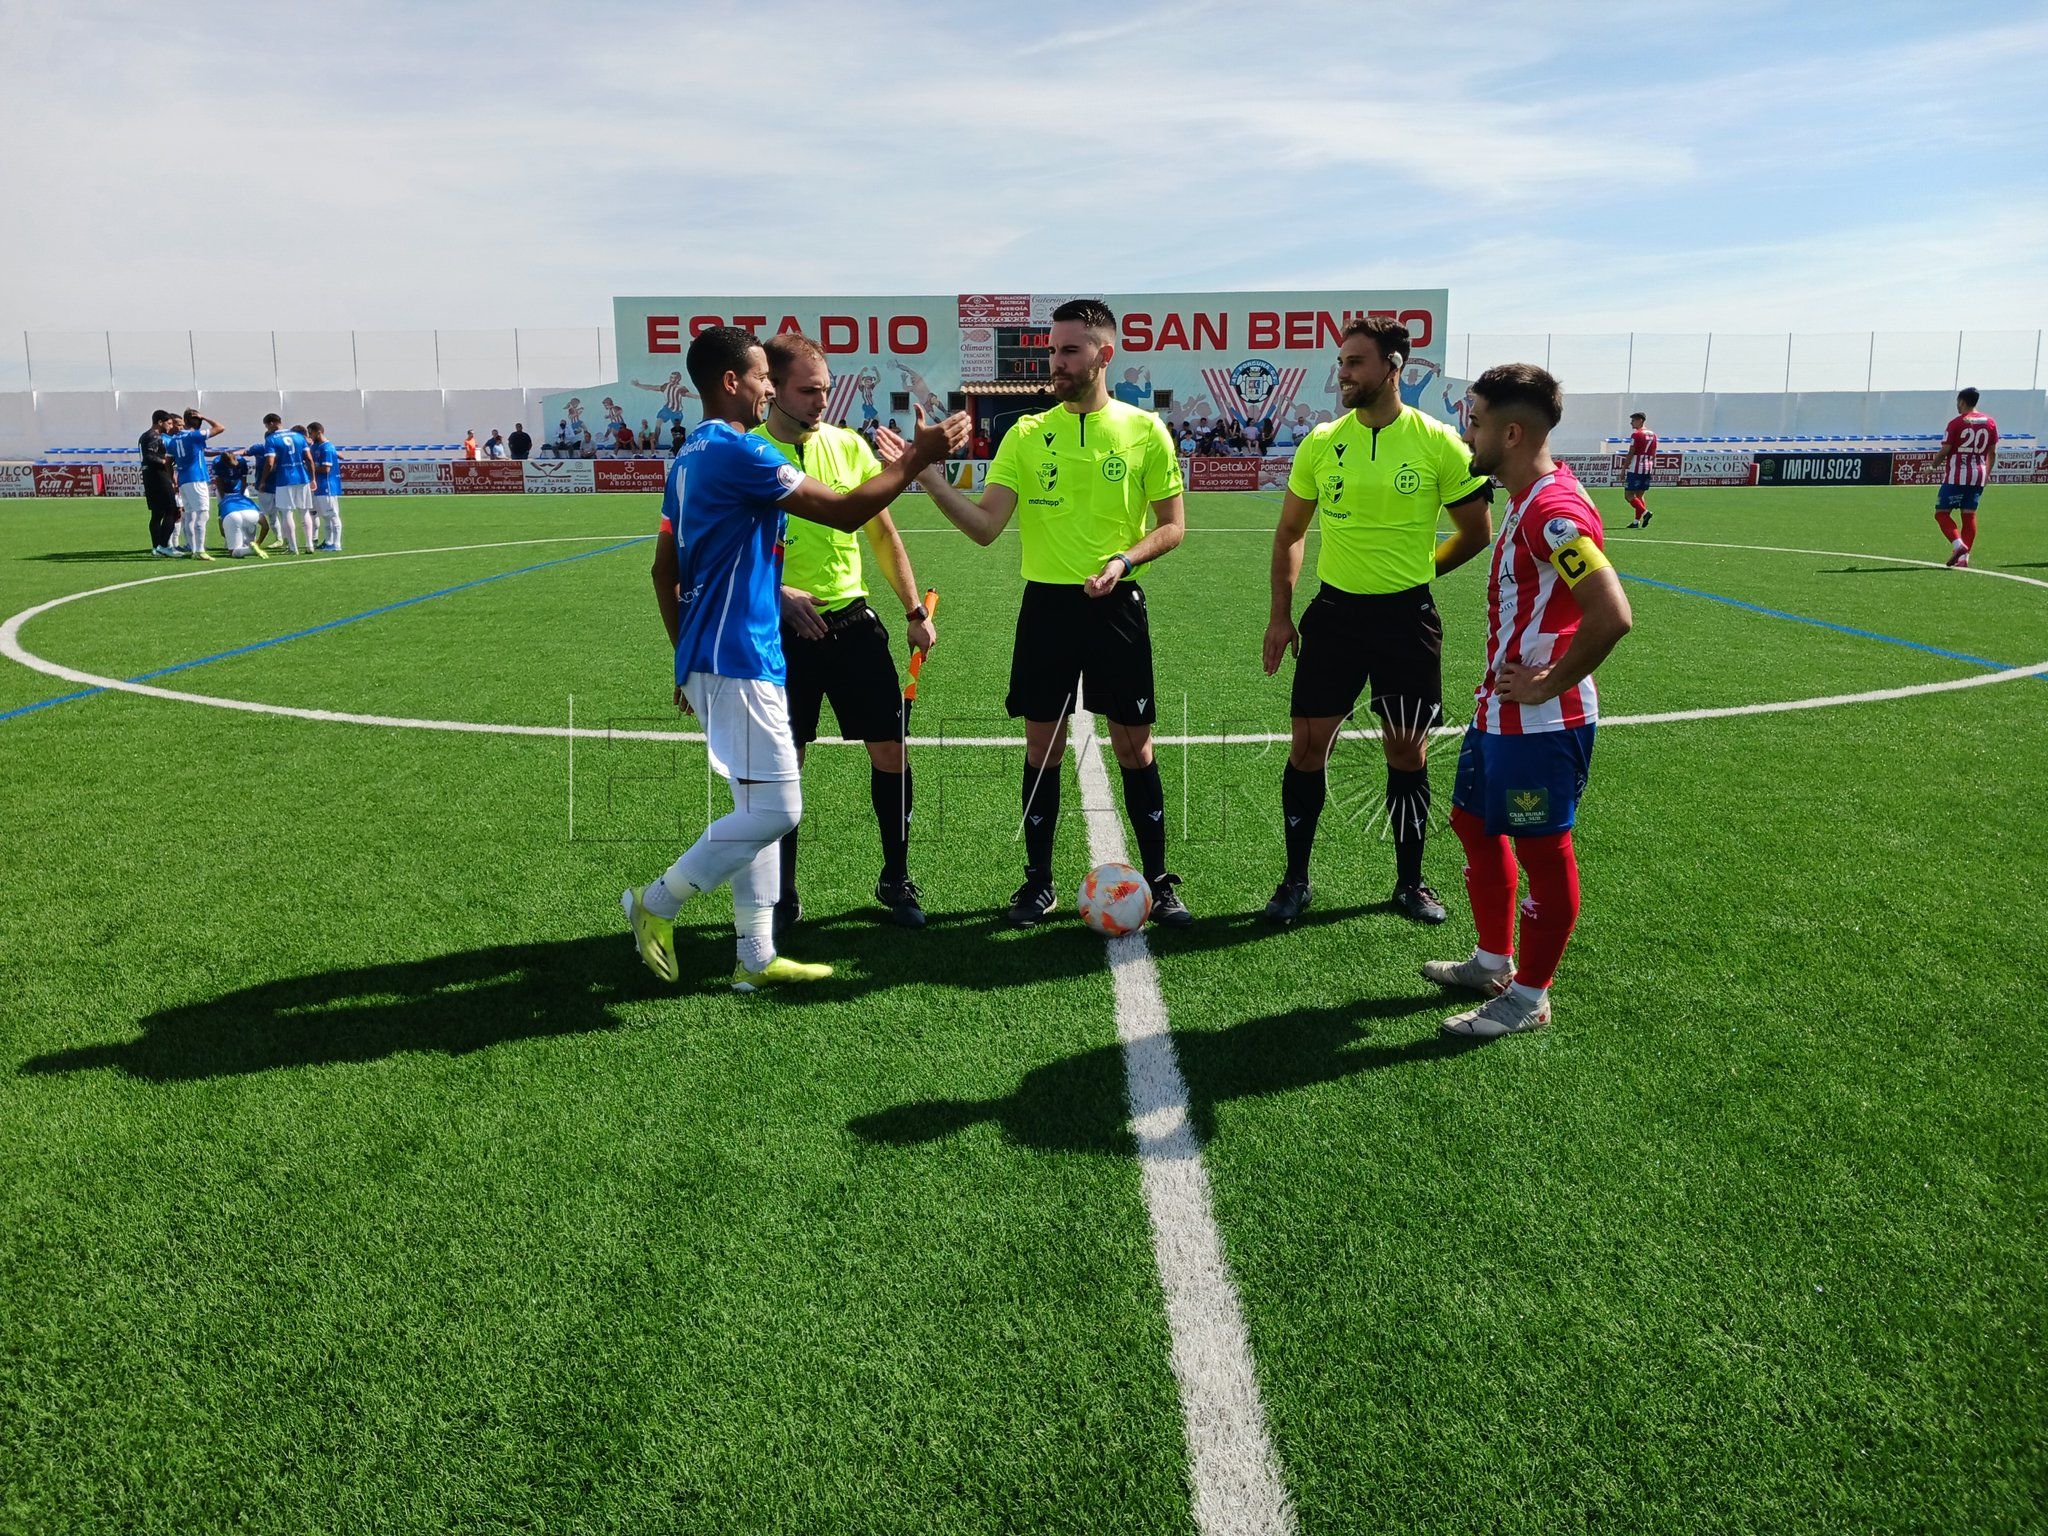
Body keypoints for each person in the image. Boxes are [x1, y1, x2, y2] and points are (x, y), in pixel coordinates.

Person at [620, 326, 968, 992]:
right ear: (735, 382)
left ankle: (756, 953)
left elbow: (667, 568)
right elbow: (843, 514)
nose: (773, 392)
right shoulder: (738, 451)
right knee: (777, 809)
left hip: (737, 649)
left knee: (760, 796)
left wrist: (684, 655)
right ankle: (655, 903)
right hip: (743, 651)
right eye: (765, 380)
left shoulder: (690, 455)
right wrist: (919, 455)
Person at [888, 298, 1193, 929]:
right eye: (1052, 349)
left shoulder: (1145, 430)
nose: (1056, 361)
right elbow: (984, 525)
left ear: (1104, 355)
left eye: (1069, 349)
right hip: (1047, 609)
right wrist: (929, 476)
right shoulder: (1026, 434)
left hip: (1117, 604)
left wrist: (1124, 561)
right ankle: (1037, 882)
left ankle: (1160, 882)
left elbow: (1172, 528)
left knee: (1136, 749)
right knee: (1041, 746)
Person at [1261, 316, 1495, 927]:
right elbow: (1290, 531)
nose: (1343, 372)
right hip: (1334, 617)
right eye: (1341, 361)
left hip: (1406, 620)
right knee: (1308, 748)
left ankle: (1410, 882)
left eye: (1356, 361)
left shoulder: (1438, 441)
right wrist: (1281, 616)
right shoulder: (1320, 442)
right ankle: (1295, 880)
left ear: (1393, 367)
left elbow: (1476, 532)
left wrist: (1418, 572)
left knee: (1406, 751)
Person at [1424, 362, 1632, 1038]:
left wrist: (1548, 682)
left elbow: (1612, 613)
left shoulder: (1553, 512)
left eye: (1476, 423)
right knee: (1472, 824)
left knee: (1544, 856)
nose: (1467, 434)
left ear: (1511, 433)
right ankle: (1492, 961)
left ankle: (1528, 997)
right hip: (1499, 712)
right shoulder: (1530, 499)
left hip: (1541, 721)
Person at [755, 333, 938, 933]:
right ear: (772, 388)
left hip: (854, 624)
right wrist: (776, 595)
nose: (819, 402)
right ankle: (783, 893)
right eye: (808, 391)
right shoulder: (744, 454)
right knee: (786, 767)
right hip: (781, 634)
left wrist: (914, 611)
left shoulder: (848, 446)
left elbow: (882, 534)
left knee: (892, 752)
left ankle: (896, 876)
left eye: (826, 390)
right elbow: (717, 556)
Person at [1931, 387, 1998, 568]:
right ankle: (1964, 559)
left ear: (1961, 401)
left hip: (1957, 475)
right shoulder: (1990, 422)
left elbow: (1945, 450)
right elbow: (1992, 452)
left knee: (1941, 513)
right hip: (1978, 475)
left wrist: (1932, 467)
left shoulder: (1956, 423)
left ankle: (1958, 545)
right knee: (1969, 515)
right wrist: (1988, 473)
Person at [166, 408, 226, 559]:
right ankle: (199, 550)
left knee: (190, 515)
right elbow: (220, 427)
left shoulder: (174, 439)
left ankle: (193, 548)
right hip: (197, 479)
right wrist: (205, 417)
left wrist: (173, 479)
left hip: (183, 480)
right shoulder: (195, 436)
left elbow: (167, 461)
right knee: (202, 514)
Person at [259, 414, 315, 556]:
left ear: (271, 423)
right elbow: (308, 459)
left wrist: (263, 480)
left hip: (284, 479)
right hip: (302, 477)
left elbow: (270, 462)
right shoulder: (298, 436)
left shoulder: (271, 439)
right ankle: (309, 545)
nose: (267, 428)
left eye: (266, 425)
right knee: (304, 512)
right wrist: (312, 478)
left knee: (286, 513)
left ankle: (293, 547)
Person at [210, 449, 269, 558]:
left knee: (233, 552)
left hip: (232, 513)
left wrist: (234, 497)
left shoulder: (241, 462)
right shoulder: (218, 463)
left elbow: (243, 479)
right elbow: (265, 526)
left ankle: (246, 547)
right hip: (251, 512)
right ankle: (251, 544)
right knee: (246, 535)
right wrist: (259, 542)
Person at [139, 410, 181, 556]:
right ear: (159, 422)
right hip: (158, 476)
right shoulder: (154, 436)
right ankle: (164, 546)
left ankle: (156, 547)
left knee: (157, 514)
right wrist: (166, 462)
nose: (171, 426)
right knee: (172, 510)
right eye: (169, 423)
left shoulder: (145, 436)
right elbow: (150, 456)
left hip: (150, 476)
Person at [308, 422, 344, 551]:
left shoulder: (327, 447)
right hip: (318, 487)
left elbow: (326, 468)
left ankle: (337, 544)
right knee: (326, 517)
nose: (310, 435)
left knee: (333, 515)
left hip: (327, 486)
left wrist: (310, 469)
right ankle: (328, 542)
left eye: (311, 432)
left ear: (319, 432)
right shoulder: (315, 446)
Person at [631, 371, 697, 438]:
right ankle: (656, 441)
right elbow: (652, 387)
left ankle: (678, 443)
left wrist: (702, 397)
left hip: (677, 411)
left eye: (674, 378)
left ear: (678, 379)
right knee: (658, 423)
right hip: (667, 409)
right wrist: (638, 385)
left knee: (676, 428)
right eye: (671, 377)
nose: (671, 379)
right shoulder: (666, 386)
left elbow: (690, 395)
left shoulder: (681, 388)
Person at [1623, 411, 1657, 527]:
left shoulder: (1636, 435)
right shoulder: (1653, 434)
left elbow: (1631, 452)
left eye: (1633, 420)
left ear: (1640, 420)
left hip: (1636, 468)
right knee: (1640, 495)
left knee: (1628, 495)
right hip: (1648, 467)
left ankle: (1646, 513)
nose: (1631, 423)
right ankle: (1636, 522)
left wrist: (1624, 469)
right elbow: (1654, 452)